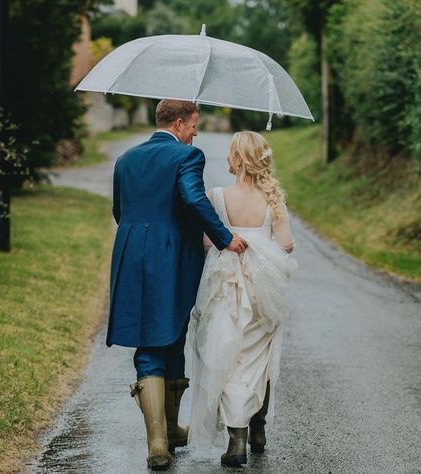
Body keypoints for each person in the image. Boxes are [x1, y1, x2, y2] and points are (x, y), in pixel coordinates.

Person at [107, 99, 247, 470]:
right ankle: (161, 438)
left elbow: (120, 211)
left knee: (150, 334)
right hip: (171, 256)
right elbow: (193, 198)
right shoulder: (187, 157)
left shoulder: (126, 159)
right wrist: (223, 236)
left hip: (131, 252)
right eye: (195, 124)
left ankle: (164, 433)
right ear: (180, 123)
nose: (197, 132)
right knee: (169, 331)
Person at [188, 131, 297, 468]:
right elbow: (287, 244)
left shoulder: (217, 197)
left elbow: (209, 243)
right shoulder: (273, 200)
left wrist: (232, 242)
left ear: (237, 160)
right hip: (263, 289)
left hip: (226, 286)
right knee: (258, 358)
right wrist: (261, 247)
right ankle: (258, 425)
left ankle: (237, 440)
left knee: (227, 355)